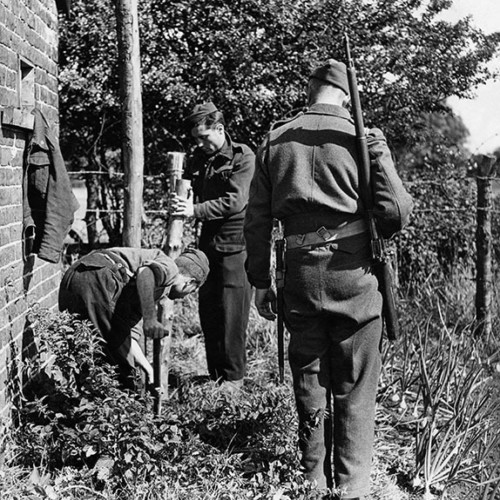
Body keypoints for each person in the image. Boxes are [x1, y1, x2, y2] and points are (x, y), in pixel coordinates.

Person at [244, 60, 413, 499]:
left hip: (298, 273)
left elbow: (256, 220)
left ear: (312, 89)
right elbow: (397, 211)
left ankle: (312, 479)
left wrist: (260, 280)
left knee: (309, 375)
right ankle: (352, 488)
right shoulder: (362, 138)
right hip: (352, 275)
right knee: (355, 385)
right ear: (344, 94)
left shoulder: (276, 138)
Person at [170, 102, 255, 391]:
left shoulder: (243, 157)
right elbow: (184, 183)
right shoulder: (200, 158)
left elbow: (235, 201)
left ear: (220, 129)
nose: (201, 143)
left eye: (205, 136)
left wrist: (193, 209)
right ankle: (215, 375)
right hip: (208, 245)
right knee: (209, 311)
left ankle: (233, 382)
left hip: (236, 246)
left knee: (232, 316)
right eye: (196, 138)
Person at [58, 246, 209, 389]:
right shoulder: (170, 269)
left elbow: (127, 338)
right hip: (99, 277)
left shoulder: (149, 293)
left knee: (87, 356)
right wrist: (150, 318)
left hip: (73, 278)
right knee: (123, 378)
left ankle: (83, 409)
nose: (183, 298)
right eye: (192, 291)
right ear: (190, 283)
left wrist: (148, 369)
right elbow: (145, 273)